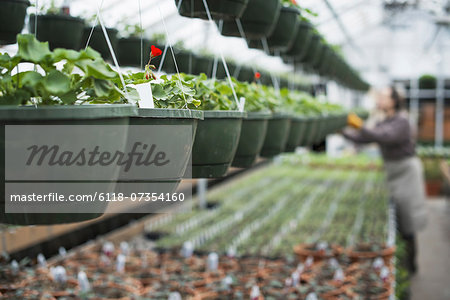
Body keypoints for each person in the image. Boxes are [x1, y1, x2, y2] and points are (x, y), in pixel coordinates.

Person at [343, 86, 427, 273]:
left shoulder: (402, 121)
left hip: (406, 171)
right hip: (392, 170)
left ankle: (410, 266)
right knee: (396, 216)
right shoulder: (384, 119)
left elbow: (382, 137)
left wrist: (360, 126)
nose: (379, 99)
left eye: (384, 96)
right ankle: (403, 264)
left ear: (394, 101)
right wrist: (342, 130)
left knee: (408, 220)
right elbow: (364, 139)